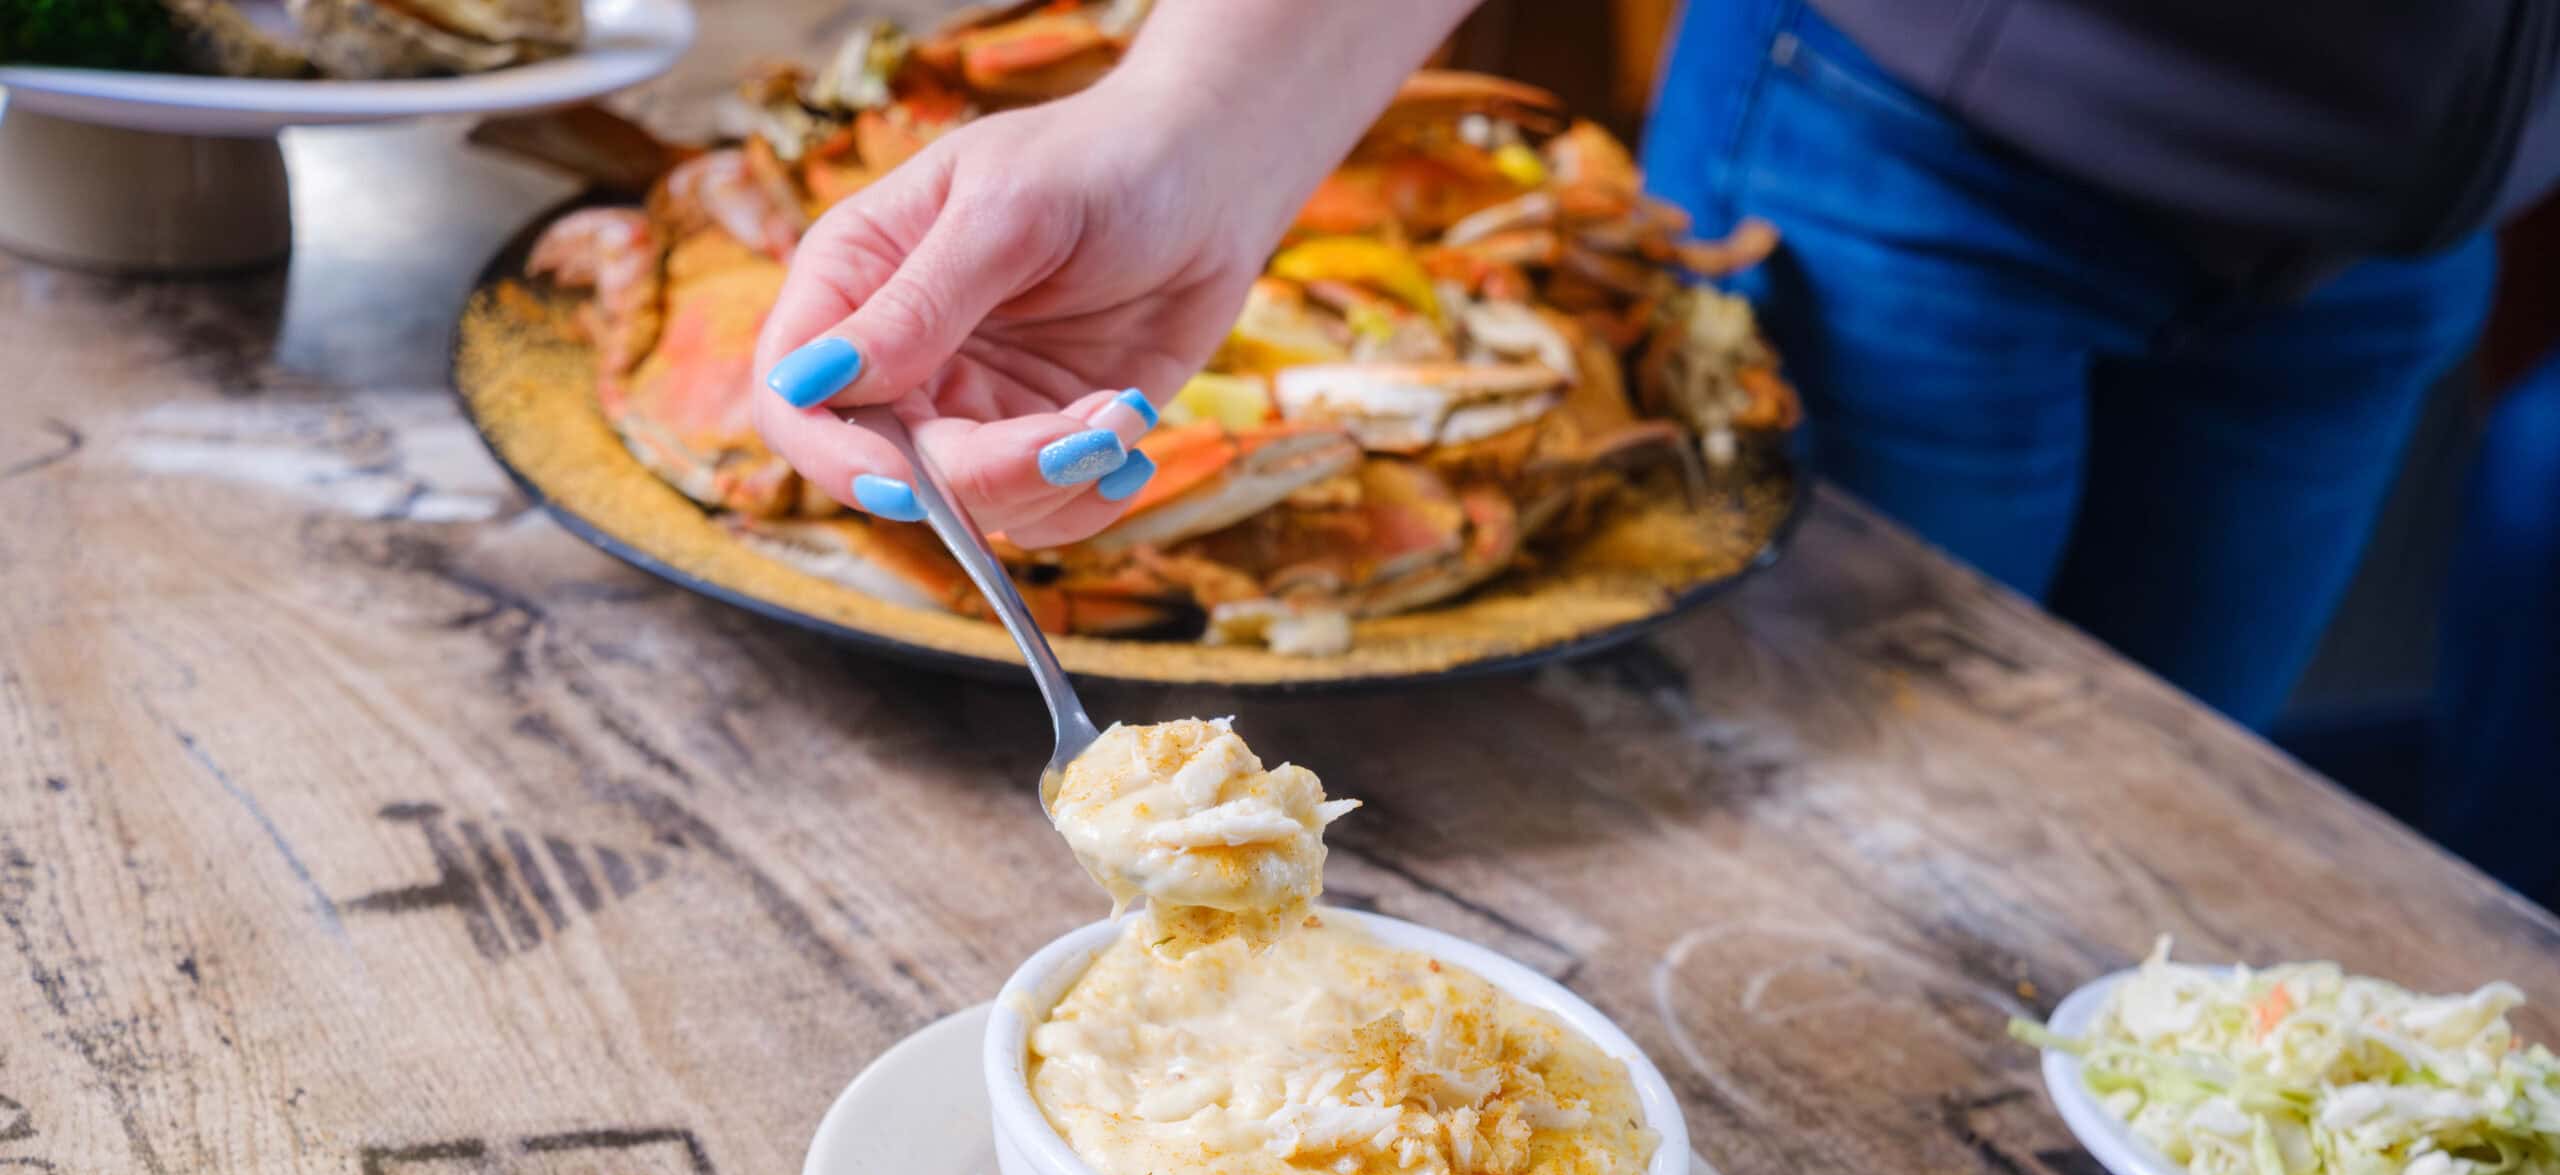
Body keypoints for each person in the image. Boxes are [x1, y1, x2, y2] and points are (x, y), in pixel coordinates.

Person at [753, 0, 2560, 729]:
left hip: (2393, 253)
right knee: (1790, 795)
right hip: (1911, 151)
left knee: (2135, 888)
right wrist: (1194, 125)